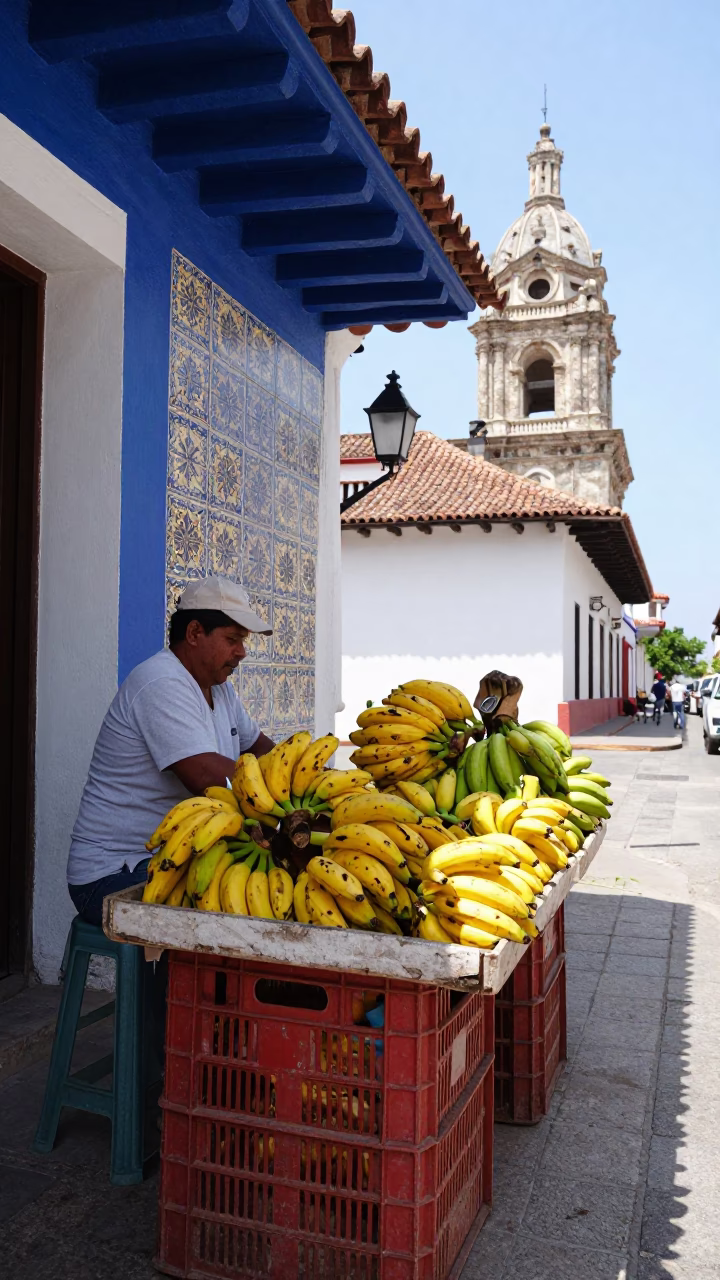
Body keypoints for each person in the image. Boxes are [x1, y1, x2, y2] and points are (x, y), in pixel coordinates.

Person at [67, 577, 274, 927]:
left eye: (243, 642)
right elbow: (205, 777)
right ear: (194, 633)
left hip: (170, 858)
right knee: (231, 910)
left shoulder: (220, 689)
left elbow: (264, 752)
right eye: (232, 640)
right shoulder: (161, 682)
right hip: (112, 873)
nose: (241, 652)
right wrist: (279, 803)